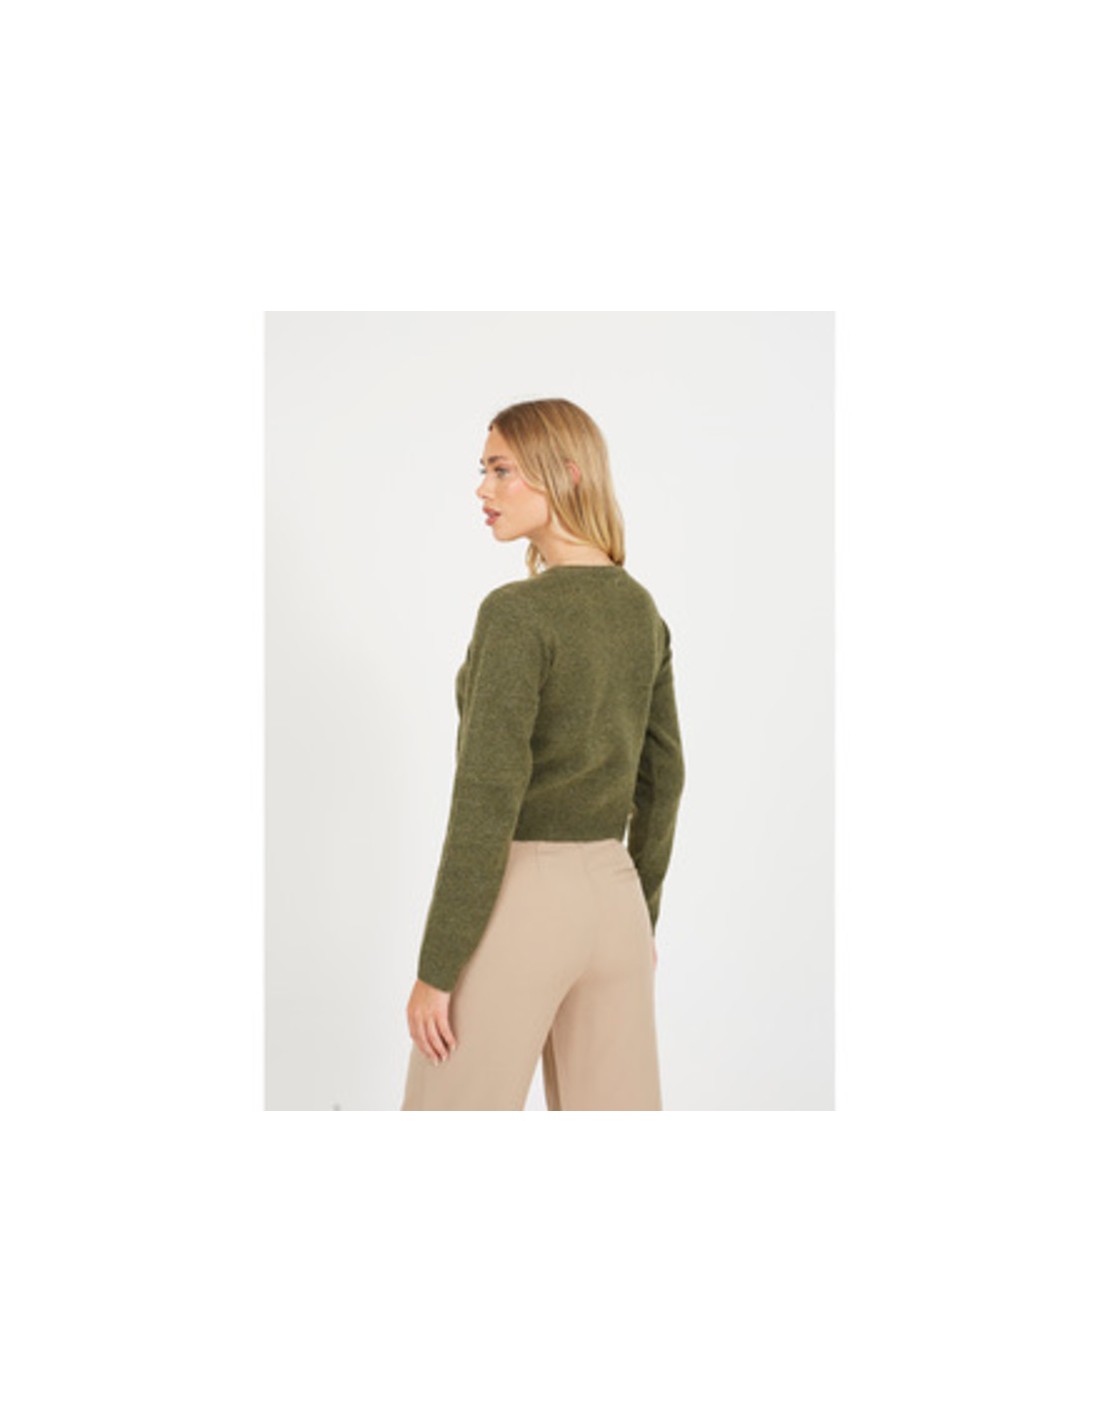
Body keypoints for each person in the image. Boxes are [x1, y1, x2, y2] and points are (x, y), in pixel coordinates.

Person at [401, 397, 685, 1110]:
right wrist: (642, 912)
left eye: (502, 471)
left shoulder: (517, 614)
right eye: (483, 470)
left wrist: (438, 967)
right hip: (616, 902)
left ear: (566, 473)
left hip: (523, 896)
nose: (483, 489)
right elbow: (664, 779)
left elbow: (487, 795)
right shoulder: (641, 610)